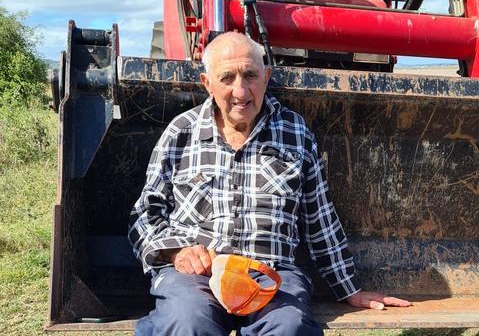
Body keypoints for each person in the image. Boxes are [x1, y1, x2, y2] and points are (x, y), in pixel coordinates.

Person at [128, 32, 410, 335]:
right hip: (196, 277)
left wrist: (348, 288)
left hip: (270, 272)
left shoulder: (294, 132)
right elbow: (145, 214)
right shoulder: (181, 132)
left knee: (288, 326)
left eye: (250, 75)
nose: (241, 90)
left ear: (266, 77)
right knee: (187, 322)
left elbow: (319, 218)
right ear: (207, 84)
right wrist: (176, 252)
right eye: (227, 78)